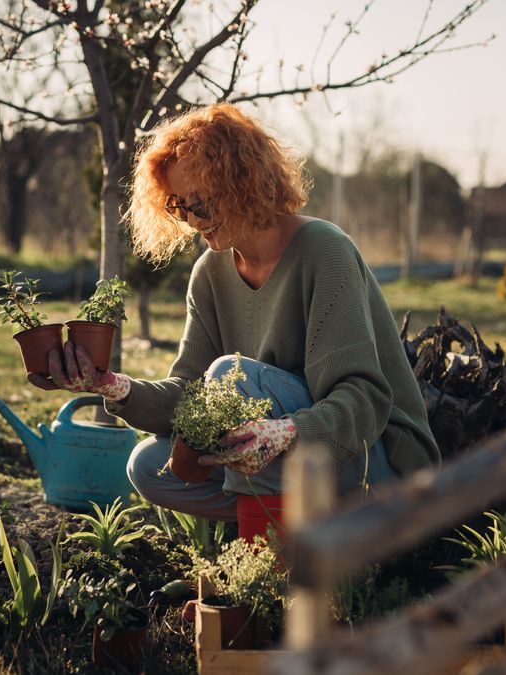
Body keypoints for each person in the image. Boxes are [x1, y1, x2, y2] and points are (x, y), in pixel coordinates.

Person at [31, 103, 439, 526]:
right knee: (149, 466)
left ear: (241, 184)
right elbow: (189, 397)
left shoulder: (324, 250)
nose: (190, 221)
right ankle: (290, 529)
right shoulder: (210, 273)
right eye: (177, 207)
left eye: (199, 204)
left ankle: (270, 570)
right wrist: (112, 386)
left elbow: (364, 401)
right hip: (291, 463)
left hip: (377, 463)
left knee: (235, 375)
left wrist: (283, 434)